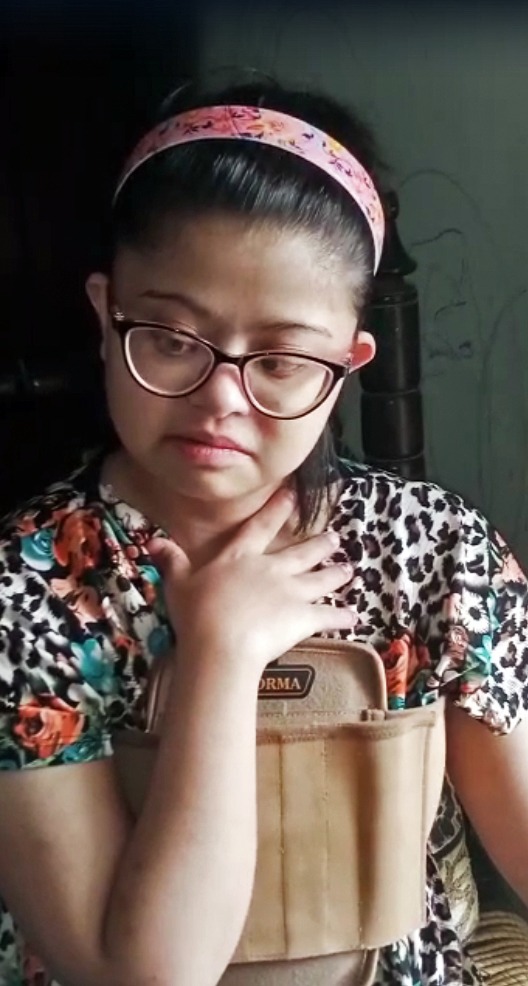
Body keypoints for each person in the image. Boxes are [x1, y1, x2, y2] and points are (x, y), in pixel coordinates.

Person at [0, 77, 526, 986]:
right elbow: (146, 976)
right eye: (171, 339)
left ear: (347, 362)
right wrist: (222, 652)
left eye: (281, 359)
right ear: (105, 313)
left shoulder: (435, 552)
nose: (221, 402)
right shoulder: (25, 588)